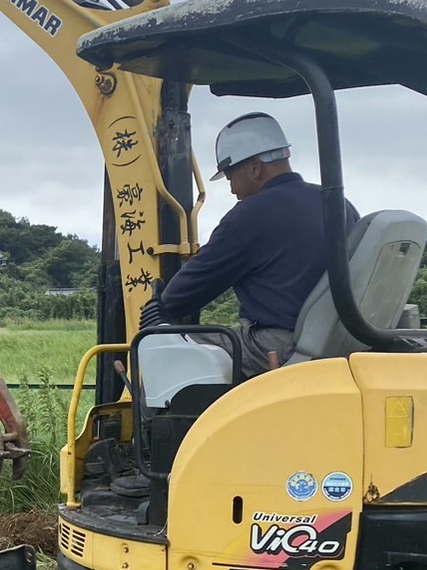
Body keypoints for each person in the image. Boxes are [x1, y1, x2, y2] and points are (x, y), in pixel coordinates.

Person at [143, 111, 357, 377]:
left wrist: (157, 306)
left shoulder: (249, 215)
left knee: (168, 353)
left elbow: (184, 293)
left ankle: (156, 420)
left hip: (279, 345)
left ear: (255, 167)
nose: (232, 189)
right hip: (340, 339)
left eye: (231, 176)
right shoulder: (337, 204)